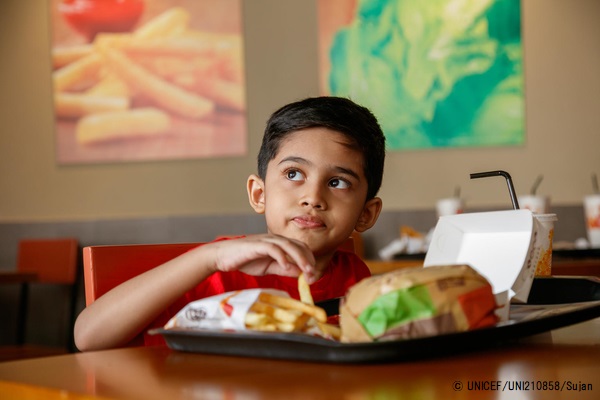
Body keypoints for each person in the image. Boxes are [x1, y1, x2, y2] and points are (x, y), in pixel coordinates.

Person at [74, 96, 386, 351]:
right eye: (293, 174)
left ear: (366, 214)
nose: (312, 197)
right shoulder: (219, 271)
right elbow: (88, 337)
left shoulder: (355, 277)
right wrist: (208, 258)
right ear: (259, 193)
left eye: (338, 182)